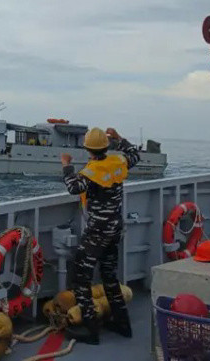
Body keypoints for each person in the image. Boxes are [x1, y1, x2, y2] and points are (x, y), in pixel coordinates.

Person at [61, 127, 140, 344]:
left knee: (80, 278)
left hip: (97, 232)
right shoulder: (117, 163)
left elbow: (74, 187)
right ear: (107, 146)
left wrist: (66, 165)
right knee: (109, 275)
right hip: (115, 229)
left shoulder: (91, 172)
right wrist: (119, 138)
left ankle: (90, 328)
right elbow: (135, 155)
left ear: (87, 148)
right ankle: (122, 324)